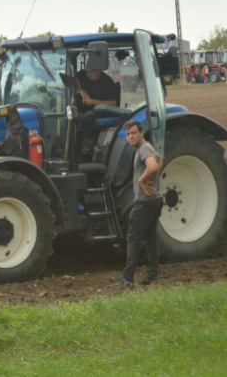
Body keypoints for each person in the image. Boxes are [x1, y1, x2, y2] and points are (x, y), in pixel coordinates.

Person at [111, 120, 163, 287]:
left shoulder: (144, 148)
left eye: (134, 133)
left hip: (145, 202)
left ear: (141, 132)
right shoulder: (145, 148)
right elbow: (159, 159)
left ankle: (127, 278)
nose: (131, 136)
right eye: (128, 134)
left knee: (133, 239)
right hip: (154, 200)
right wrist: (149, 178)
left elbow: (154, 166)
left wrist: (142, 179)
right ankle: (152, 275)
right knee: (150, 239)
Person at [75, 62, 117, 161]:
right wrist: (81, 91)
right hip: (78, 111)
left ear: (98, 70)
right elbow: (70, 86)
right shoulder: (80, 75)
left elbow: (113, 103)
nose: (86, 70)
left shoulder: (107, 82)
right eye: (86, 66)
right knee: (68, 116)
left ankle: (86, 152)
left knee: (89, 117)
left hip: (96, 112)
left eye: (89, 67)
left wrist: (93, 101)